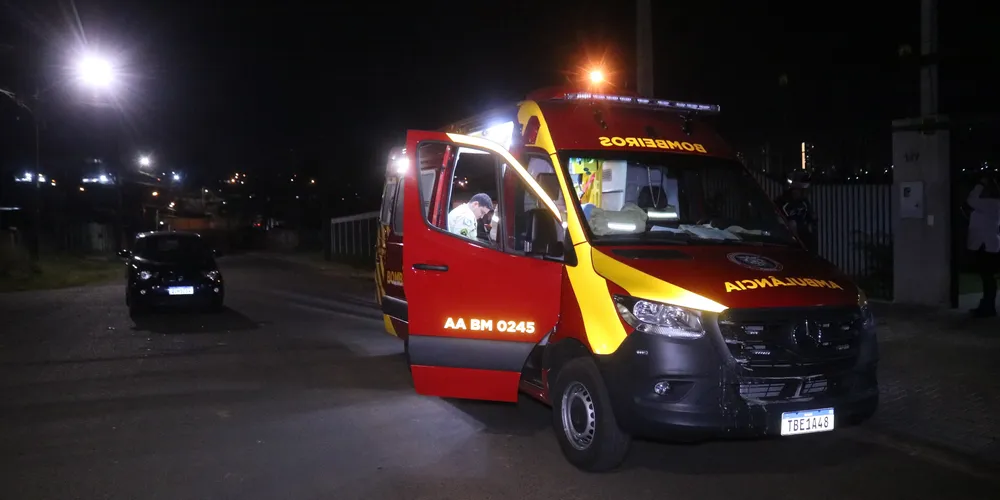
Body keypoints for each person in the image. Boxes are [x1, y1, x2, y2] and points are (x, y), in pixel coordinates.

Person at [966, 176, 1000, 318]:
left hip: (985, 245)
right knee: (988, 277)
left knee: (987, 277)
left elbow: (971, 199)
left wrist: (980, 184)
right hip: (989, 244)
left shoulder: (990, 203)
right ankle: (987, 305)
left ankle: (987, 307)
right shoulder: (994, 204)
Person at [774, 171, 817, 252]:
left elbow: (812, 218)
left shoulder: (804, 202)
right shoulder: (783, 203)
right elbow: (786, 225)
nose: (806, 194)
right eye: (803, 191)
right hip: (788, 245)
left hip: (805, 244)